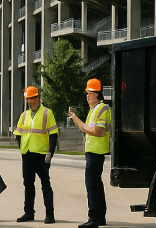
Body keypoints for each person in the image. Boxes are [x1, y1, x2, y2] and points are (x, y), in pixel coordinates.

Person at [68, 79, 110, 228]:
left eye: (90, 92)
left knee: (92, 185)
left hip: (96, 152)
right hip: (93, 152)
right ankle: (100, 217)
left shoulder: (102, 108)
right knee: (96, 184)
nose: (88, 95)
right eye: (87, 93)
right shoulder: (93, 110)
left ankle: (93, 218)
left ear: (98, 93)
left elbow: (98, 131)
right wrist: (76, 119)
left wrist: (78, 122)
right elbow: (86, 128)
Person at [15, 86, 58, 224]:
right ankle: (28, 213)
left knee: (45, 184)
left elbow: (53, 134)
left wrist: (50, 153)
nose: (30, 101)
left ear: (38, 98)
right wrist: (21, 148)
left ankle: (50, 215)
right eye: (28, 98)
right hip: (27, 154)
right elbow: (18, 134)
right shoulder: (24, 115)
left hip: (41, 155)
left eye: (33, 98)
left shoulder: (47, 113)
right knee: (28, 184)